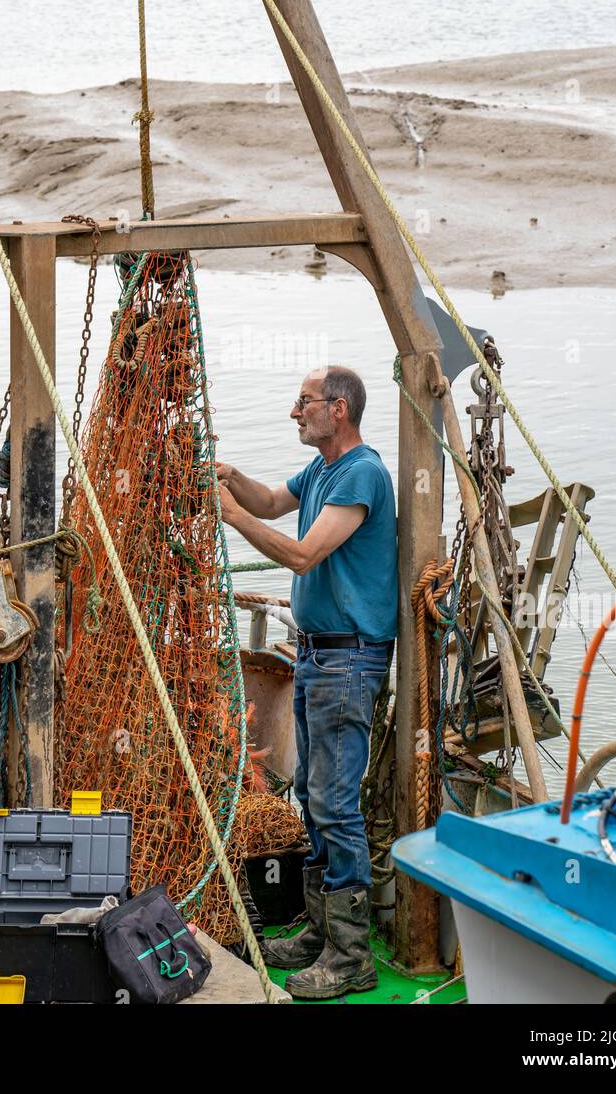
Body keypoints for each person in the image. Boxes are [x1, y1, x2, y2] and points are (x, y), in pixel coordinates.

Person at [216, 364, 397, 1000]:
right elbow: (271, 503)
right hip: (317, 656)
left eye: (305, 402)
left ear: (339, 409)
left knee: (337, 806)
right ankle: (321, 934)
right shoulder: (321, 470)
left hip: (349, 659)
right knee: (311, 792)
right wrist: (233, 480)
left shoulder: (362, 473)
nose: (296, 412)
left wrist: (231, 515)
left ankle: (351, 957)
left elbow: (302, 553)